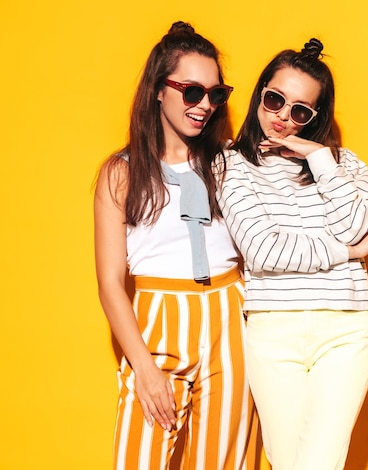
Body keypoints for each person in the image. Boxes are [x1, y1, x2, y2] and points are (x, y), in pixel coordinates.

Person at [94, 21, 259, 469]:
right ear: (158, 90)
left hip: (229, 316)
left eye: (215, 94)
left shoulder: (230, 164)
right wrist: (143, 368)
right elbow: (110, 283)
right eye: (191, 91)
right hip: (155, 323)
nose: (204, 105)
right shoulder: (121, 173)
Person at [216, 38, 368, 470]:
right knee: (288, 462)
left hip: (344, 331)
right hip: (274, 332)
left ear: (315, 116)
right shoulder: (230, 164)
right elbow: (263, 250)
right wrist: (350, 253)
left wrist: (320, 158)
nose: (282, 117)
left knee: (318, 463)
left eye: (299, 111)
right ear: (260, 95)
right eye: (274, 100)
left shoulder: (346, 164)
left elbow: (358, 224)